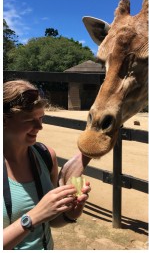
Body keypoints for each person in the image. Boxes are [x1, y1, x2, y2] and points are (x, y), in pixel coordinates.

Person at [3, 80, 91, 250]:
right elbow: (37, 218)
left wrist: (70, 213)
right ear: (4, 120)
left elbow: (49, 222)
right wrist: (33, 217)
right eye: (29, 119)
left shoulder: (45, 155)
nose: (40, 126)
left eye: (41, 117)